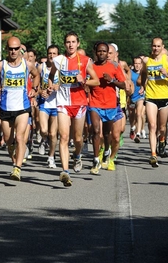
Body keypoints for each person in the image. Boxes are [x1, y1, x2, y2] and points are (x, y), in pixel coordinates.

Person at [47, 31, 99, 187]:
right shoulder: (58, 60)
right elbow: (51, 76)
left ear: (78, 43)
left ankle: (77, 155)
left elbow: (96, 81)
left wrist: (84, 81)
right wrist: (51, 86)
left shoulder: (85, 61)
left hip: (80, 103)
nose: (70, 45)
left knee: (77, 139)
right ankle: (65, 171)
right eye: (68, 42)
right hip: (62, 102)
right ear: (65, 44)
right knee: (63, 136)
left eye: (73, 42)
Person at [0, 36, 40, 181]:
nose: (14, 51)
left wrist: (34, 89)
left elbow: (37, 75)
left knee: (20, 137)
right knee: (9, 140)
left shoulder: (27, 64)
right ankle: (14, 158)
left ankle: (17, 168)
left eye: (16, 49)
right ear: (7, 49)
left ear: (20, 49)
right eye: (11, 49)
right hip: (5, 107)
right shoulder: (0, 66)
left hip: (23, 107)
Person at [138, 37, 168, 167]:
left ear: (162, 47)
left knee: (162, 127)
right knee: (152, 125)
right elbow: (144, 73)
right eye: (153, 46)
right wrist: (143, 86)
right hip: (151, 96)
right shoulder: (146, 60)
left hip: (164, 97)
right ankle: (153, 154)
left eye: (158, 46)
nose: (155, 48)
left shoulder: (167, 60)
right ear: (151, 46)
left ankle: (162, 140)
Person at [90, 41, 126, 174]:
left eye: (104, 51)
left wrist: (111, 80)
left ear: (107, 53)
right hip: (94, 103)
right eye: (99, 51)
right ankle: (95, 160)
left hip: (110, 104)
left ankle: (106, 150)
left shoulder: (114, 67)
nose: (101, 53)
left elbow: (123, 85)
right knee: (95, 131)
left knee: (106, 133)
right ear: (96, 52)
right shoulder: (91, 66)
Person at [37, 44, 60, 168]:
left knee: (53, 133)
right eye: (49, 53)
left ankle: (51, 157)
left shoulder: (62, 68)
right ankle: (44, 140)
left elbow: (67, 85)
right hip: (44, 103)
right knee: (44, 130)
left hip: (57, 104)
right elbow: (36, 87)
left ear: (58, 55)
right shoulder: (41, 67)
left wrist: (57, 87)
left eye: (54, 53)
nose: (51, 56)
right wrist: (41, 92)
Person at [129, 56, 145, 143]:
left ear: (142, 64)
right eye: (136, 63)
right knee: (132, 116)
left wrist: (143, 87)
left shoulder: (144, 73)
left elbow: (147, 83)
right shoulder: (130, 73)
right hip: (131, 97)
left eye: (139, 63)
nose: (137, 65)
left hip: (140, 96)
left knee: (139, 113)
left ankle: (138, 134)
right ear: (133, 64)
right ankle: (132, 128)